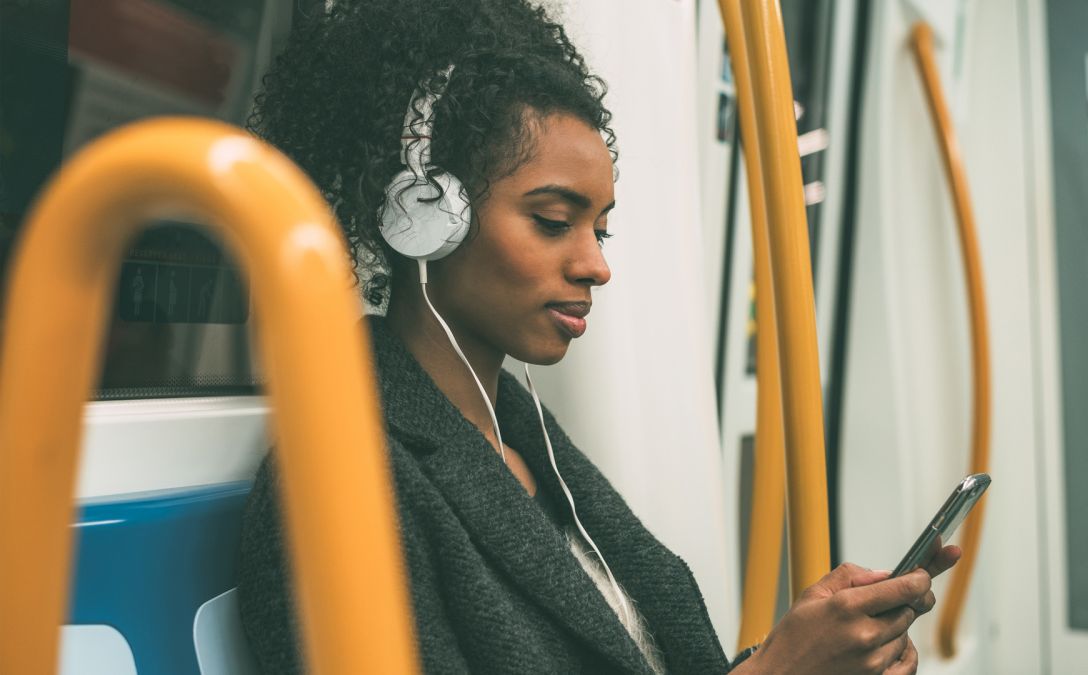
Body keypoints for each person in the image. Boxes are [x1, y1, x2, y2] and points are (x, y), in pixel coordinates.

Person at [236, 1, 961, 673]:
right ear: (424, 215)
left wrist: (802, 651)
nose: (596, 265)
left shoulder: (525, 439)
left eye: (600, 228)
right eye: (553, 221)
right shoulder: (336, 480)